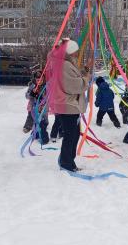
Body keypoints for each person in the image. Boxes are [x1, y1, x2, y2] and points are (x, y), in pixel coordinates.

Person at [47, 38, 90, 172]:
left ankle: (68, 160)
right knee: (70, 136)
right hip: (68, 105)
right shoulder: (64, 65)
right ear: (70, 51)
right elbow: (74, 85)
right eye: (75, 52)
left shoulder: (64, 63)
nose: (77, 54)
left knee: (74, 134)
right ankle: (66, 163)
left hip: (68, 104)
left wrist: (85, 71)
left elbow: (72, 78)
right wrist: (87, 78)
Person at [23, 70, 49, 144]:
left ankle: (43, 127)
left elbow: (48, 96)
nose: (39, 81)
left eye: (41, 79)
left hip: (43, 107)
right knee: (32, 118)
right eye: (38, 80)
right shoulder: (32, 86)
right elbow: (27, 96)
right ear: (35, 80)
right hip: (33, 106)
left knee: (44, 119)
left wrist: (42, 97)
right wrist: (32, 94)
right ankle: (29, 128)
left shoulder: (46, 86)